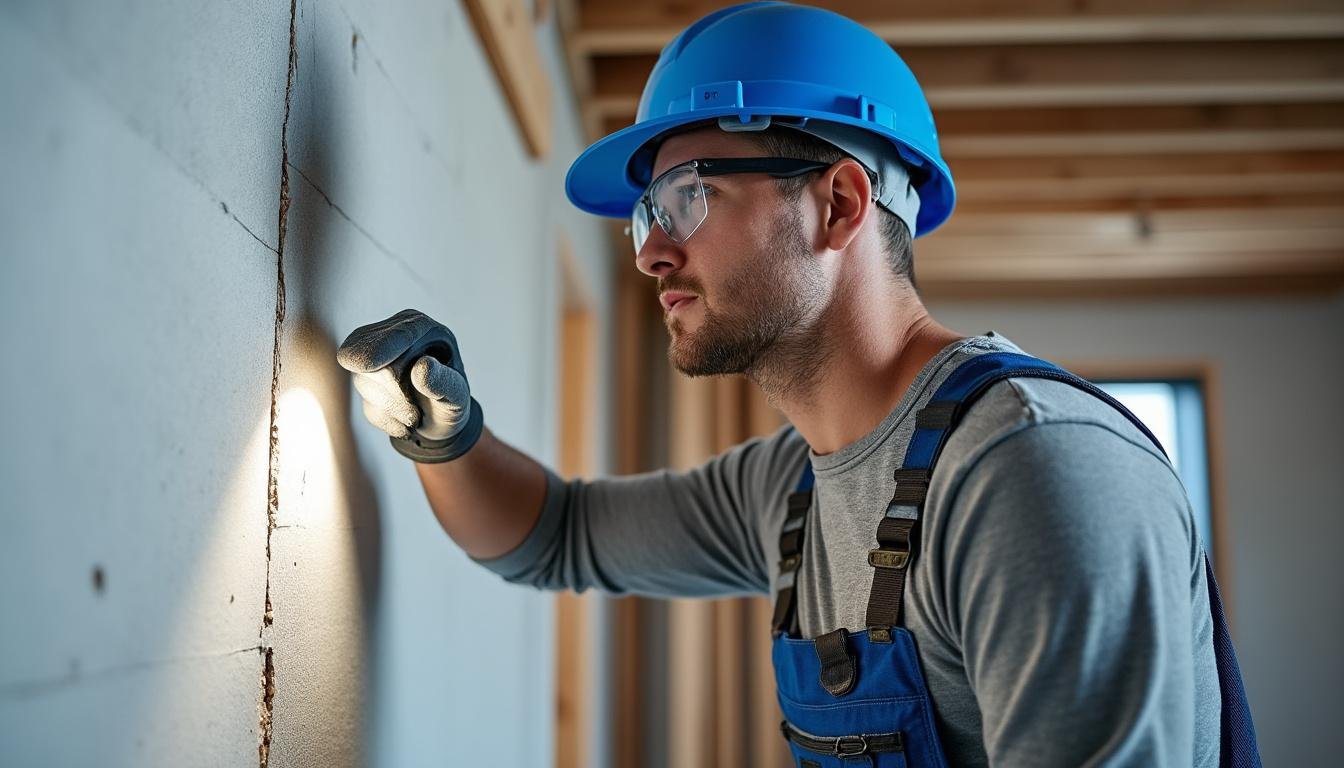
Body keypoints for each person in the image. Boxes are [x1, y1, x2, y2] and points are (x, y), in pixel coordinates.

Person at [339, 3, 1255, 765]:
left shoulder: (1028, 473)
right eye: (646, 217)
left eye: (689, 197)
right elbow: (554, 535)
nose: (654, 252)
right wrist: (443, 437)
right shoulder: (794, 492)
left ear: (841, 205)